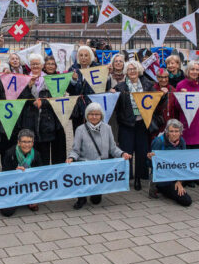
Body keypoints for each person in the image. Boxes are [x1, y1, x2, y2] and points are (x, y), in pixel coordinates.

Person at [66, 102, 131, 210]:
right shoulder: (80, 129)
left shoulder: (107, 128)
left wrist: (122, 154)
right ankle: (81, 198)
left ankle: (96, 192)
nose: (94, 117)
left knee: (96, 201)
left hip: (101, 166)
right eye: (91, 114)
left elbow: (113, 148)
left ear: (101, 116)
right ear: (87, 115)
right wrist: (71, 158)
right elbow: (75, 150)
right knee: (81, 181)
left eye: (97, 114)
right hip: (85, 164)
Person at [114, 60, 153, 191]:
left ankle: (139, 177)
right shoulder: (121, 87)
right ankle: (127, 177)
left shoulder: (148, 84)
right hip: (126, 123)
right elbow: (116, 106)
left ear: (139, 71)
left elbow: (155, 100)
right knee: (127, 151)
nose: (132, 71)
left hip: (142, 123)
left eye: (134, 69)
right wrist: (111, 93)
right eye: (129, 69)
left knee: (142, 151)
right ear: (126, 72)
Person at [16, 54, 62, 165]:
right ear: (30, 65)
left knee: (45, 152)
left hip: (46, 120)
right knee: (31, 151)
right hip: (30, 120)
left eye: (37, 64)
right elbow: (20, 98)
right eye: (33, 64)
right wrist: (29, 87)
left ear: (42, 65)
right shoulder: (24, 78)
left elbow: (56, 98)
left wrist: (43, 102)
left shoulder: (49, 78)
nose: (35, 66)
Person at [147, 120, 191, 207]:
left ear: (180, 132)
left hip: (176, 175)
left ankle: (174, 187)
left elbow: (183, 163)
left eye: (176, 131)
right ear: (167, 132)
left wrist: (179, 181)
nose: (174, 134)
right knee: (186, 201)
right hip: (163, 178)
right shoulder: (159, 142)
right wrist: (151, 159)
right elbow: (149, 165)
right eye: (171, 131)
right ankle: (157, 187)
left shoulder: (182, 142)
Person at [0, 129, 42, 216]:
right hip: (13, 186)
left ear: (33, 143)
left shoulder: (36, 155)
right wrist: (14, 172)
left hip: (29, 185)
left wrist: (37, 196)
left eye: (29, 142)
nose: (27, 145)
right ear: (18, 142)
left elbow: (40, 175)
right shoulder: (9, 154)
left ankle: (28, 199)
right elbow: (4, 175)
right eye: (24, 142)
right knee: (7, 212)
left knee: (34, 205)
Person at [69, 45, 108, 130]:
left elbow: (104, 86)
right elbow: (69, 90)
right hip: (78, 110)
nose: (83, 58)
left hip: (93, 107)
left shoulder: (97, 67)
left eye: (86, 55)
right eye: (81, 55)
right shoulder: (72, 69)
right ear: (78, 57)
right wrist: (73, 81)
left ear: (91, 56)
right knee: (79, 133)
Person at [151, 68, 179, 139]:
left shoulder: (173, 90)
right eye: (160, 77)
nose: (163, 80)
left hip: (171, 126)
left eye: (165, 77)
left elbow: (177, 108)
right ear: (157, 77)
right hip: (157, 125)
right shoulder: (152, 90)